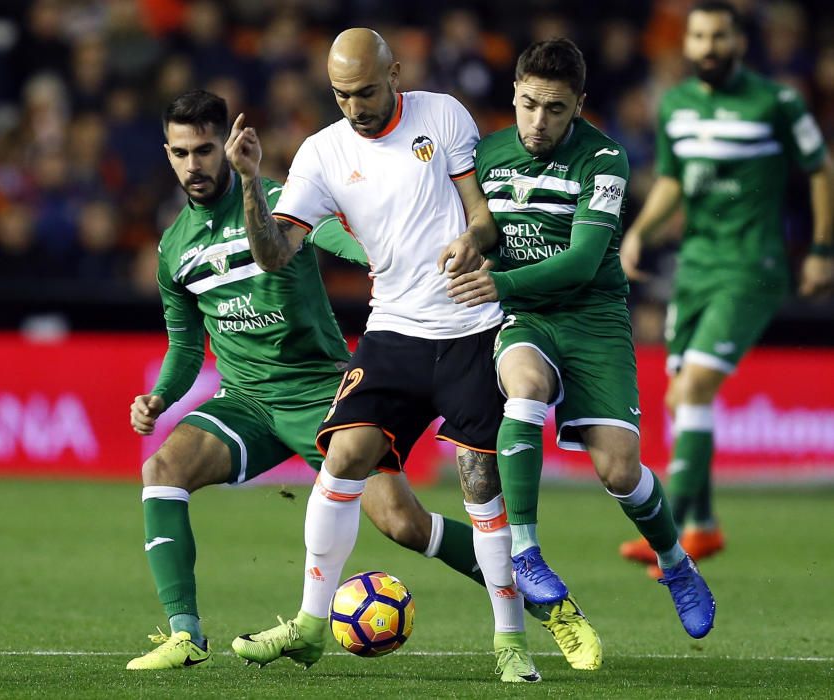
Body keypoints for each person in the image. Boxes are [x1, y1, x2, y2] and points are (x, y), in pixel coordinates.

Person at [126, 89, 601, 671]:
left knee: (404, 524)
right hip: (246, 401)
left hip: (319, 390)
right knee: (161, 470)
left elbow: (334, 236)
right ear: (168, 154)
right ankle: (185, 632)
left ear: (226, 147)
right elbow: (182, 345)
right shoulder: (174, 247)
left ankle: (549, 607)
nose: (193, 165)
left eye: (204, 150)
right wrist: (161, 396)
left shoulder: (280, 199)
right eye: (181, 153)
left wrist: (382, 256)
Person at [227, 28, 575, 683]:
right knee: (344, 455)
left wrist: (473, 241)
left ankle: (509, 644)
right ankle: (308, 625)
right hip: (393, 332)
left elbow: (483, 214)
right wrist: (249, 181)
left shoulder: (440, 114)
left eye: (363, 90)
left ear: (395, 73)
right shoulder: (320, 153)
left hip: (471, 327)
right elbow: (274, 253)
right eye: (339, 94)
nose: (353, 106)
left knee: (478, 483)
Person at [445, 38, 716, 639]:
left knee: (621, 471)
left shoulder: (605, 159)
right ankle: (525, 549)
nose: (539, 122)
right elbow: (478, 228)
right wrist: (475, 249)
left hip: (593, 317)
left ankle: (675, 564)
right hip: (526, 316)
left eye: (556, 109)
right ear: (513, 94)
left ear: (579, 104)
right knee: (525, 386)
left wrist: (500, 283)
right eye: (528, 105)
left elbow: (584, 260)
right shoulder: (485, 156)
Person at [619, 1, 834, 576]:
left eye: (719, 36)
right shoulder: (678, 107)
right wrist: (639, 231)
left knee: (691, 389)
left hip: (751, 268)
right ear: (686, 45)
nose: (709, 46)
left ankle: (673, 531)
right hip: (696, 268)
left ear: (738, 42)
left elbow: (820, 168)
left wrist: (820, 248)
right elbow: (671, 179)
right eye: (699, 37)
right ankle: (706, 525)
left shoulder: (777, 102)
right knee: (679, 397)